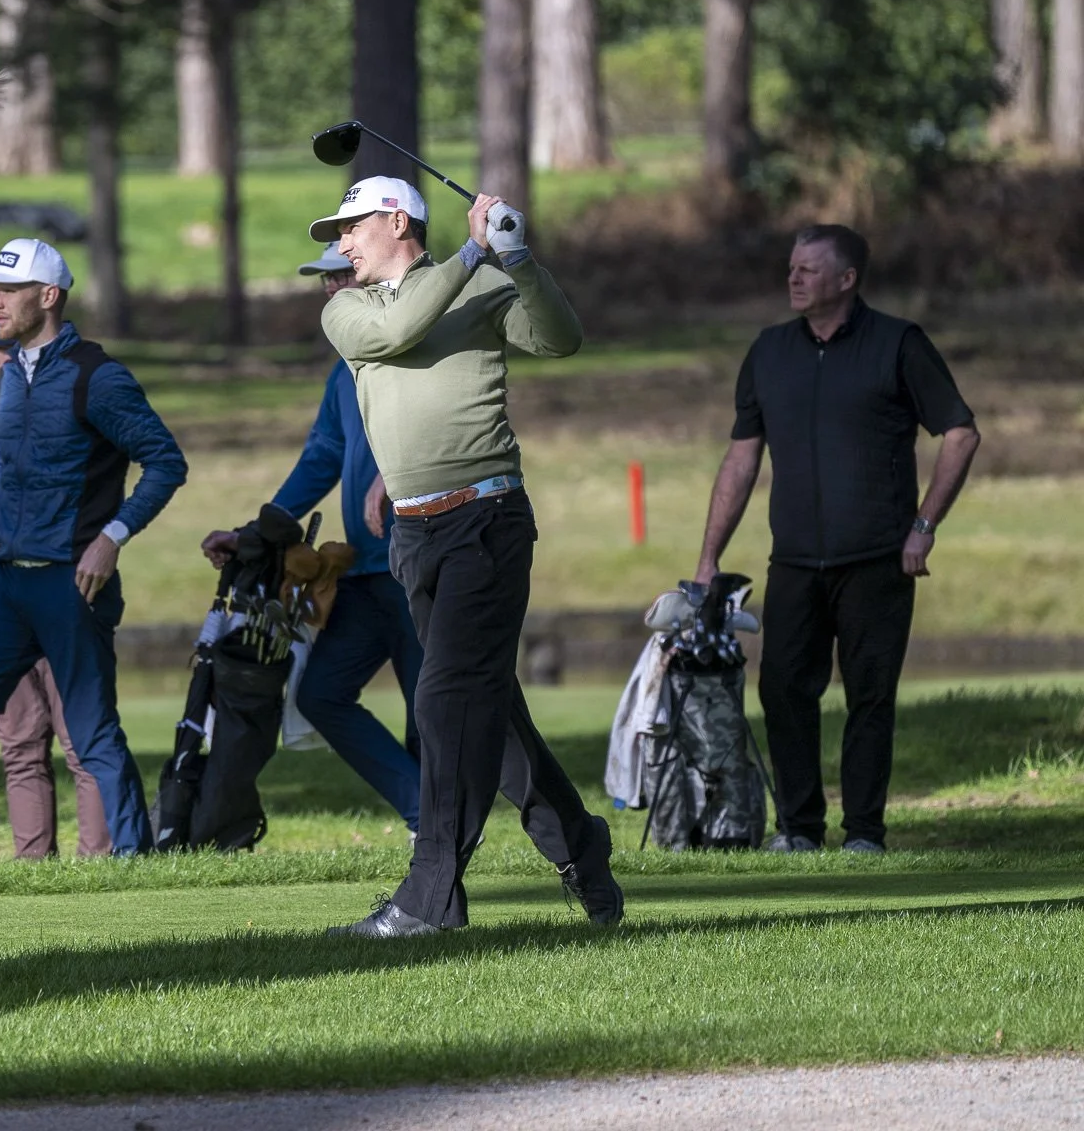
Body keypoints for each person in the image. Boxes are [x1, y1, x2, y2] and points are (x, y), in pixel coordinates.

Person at [313, 175, 623, 938]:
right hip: (413, 536)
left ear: (395, 219)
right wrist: (471, 251)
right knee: (493, 714)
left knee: (445, 701)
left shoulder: (481, 282)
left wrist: (518, 262)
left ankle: (430, 899)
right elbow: (397, 336)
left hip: (486, 520)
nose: (340, 242)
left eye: (350, 226)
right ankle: (580, 843)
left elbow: (559, 337)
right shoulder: (347, 309)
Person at [692, 224, 980, 855]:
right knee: (783, 691)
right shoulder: (769, 352)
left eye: (809, 270)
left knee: (870, 693)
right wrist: (709, 557)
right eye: (792, 268)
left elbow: (959, 433)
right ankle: (798, 829)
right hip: (794, 559)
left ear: (847, 280)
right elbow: (741, 459)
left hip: (879, 557)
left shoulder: (899, 344)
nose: (793, 278)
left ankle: (865, 834)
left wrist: (923, 527)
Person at [0, 238, 188, 860]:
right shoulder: (12, 374)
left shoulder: (99, 378)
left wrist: (111, 539)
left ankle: (134, 863)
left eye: (8, 291)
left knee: (93, 731)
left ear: (48, 297)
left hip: (73, 583)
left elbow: (166, 463)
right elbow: (14, 482)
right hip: (6, 583)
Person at [198, 240, 423, 831]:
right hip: (366, 574)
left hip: (418, 564)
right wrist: (257, 531)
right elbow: (321, 459)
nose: (328, 289)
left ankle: (454, 833)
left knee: (434, 711)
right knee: (321, 694)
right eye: (323, 280)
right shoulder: (340, 374)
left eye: (339, 276)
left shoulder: (408, 356)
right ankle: (429, 813)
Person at [0, 319, 112, 859]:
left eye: (3, 347)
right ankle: (33, 869)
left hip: (64, 599)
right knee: (19, 746)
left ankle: (101, 869)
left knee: (83, 742)